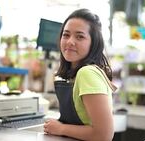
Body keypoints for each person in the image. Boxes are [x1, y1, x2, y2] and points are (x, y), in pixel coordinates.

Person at [43, 8, 117, 141]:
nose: (70, 41)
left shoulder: (87, 73)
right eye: (66, 35)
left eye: (80, 36)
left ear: (93, 43)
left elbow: (104, 135)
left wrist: (61, 129)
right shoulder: (76, 74)